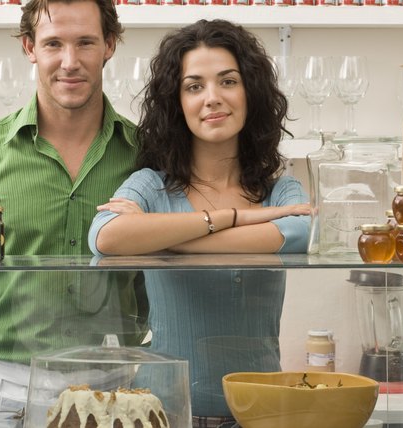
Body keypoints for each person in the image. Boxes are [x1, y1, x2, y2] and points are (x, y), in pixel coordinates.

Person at [0, 0, 148, 413]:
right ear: (29, 47)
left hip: (117, 390)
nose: (69, 61)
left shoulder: (149, 154)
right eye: (53, 43)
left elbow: (158, 279)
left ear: (110, 45)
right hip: (1, 391)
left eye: (86, 43)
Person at [88, 19, 310, 426]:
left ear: (251, 93)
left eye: (228, 81)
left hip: (259, 411)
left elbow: (296, 233)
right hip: (159, 411)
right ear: (177, 102)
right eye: (194, 86)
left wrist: (161, 238)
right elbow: (105, 236)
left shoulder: (281, 191)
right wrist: (231, 218)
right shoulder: (151, 185)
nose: (212, 98)